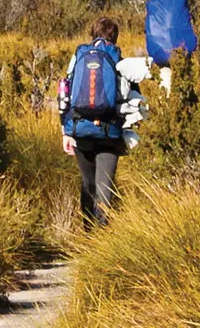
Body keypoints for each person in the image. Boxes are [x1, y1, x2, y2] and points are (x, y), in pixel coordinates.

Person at [57, 15, 147, 228]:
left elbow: (64, 92)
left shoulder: (79, 55)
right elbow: (133, 98)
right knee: (104, 187)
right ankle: (102, 239)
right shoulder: (118, 58)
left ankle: (88, 236)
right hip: (109, 132)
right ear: (115, 36)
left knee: (88, 183)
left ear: (93, 34)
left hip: (80, 129)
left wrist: (65, 131)